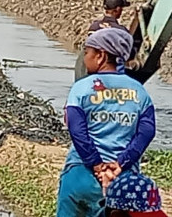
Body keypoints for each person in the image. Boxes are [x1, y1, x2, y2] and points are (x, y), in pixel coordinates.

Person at [56, 27, 156, 217]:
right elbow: (146, 133)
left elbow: (77, 130)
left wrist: (96, 164)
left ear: (101, 56)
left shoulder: (82, 88)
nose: (85, 59)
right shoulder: (140, 92)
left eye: (87, 53)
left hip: (81, 175)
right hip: (124, 180)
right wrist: (120, 163)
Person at [75, 0, 132, 81]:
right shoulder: (121, 32)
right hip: (110, 74)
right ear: (117, 9)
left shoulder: (94, 26)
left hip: (87, 71)